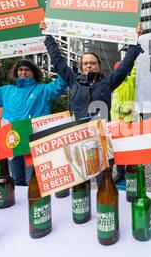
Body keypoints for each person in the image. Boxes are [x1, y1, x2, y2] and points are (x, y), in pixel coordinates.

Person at [40, 21, 144, 185]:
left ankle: (107, 207)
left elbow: (124, 67)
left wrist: (135, 39)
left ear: (99, 66)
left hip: (102, 140)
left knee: (105, 182)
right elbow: (58, 61)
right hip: (78, 140)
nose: (89, 65)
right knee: (81, 183)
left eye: (93, 63)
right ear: (81, 66)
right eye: (86, 63)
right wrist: (48, 37)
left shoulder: (108, 83)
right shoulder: (73, 81)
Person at [0, 57, 69, 186]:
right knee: (16, 180)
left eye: (27, 69)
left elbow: (63, 81)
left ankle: (34, 205)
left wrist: (57, 56)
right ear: (16, 72)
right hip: (11, 141)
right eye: (20, 70)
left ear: (34, 73)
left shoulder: (44, 90)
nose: (23, 72)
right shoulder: (7, 91)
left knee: (33, 182)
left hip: (34, 143)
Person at [110, 63, 137, 185]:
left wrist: (135, 56)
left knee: (131, 148)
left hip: (130, 122)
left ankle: (130, 172)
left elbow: (135, 70)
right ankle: (120, 173)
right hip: (117, 123)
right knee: (119, 150)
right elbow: (114, 105)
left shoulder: (130, 80)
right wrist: (125, 109)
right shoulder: (113, 84)